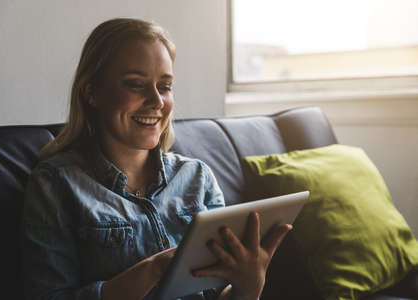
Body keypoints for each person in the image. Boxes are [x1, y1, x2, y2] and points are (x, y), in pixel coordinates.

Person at [20, 18, 291, 300]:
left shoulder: (197, 176)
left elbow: (219, 293)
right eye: (136, 85)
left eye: (165, 86)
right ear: (91, 92)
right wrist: (153, 268)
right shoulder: (57, 183)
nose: (157, 101)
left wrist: (250, 285)